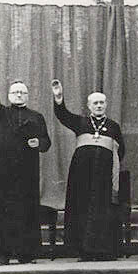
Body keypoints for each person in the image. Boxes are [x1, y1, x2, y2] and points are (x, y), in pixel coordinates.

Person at [0, 63, 51, 265]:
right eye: (15, 92)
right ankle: (3, 254)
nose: (19, 95)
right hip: (3, 173)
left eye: (22, 92)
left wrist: (39, 143)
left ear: (27, 96)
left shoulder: (37, 117)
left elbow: (46, 142)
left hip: (26, 175)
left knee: (26, 213)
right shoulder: (2, 113)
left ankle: (26, 254)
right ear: (9, 95)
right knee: (3, 213)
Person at [52, 80, 124, 262]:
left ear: (106, 105)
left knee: (104, 211)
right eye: (95, 103)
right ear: (89, 106)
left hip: (105, 178)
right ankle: (84, 251)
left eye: (102, 102)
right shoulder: (80, 122)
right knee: (82, 209)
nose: (99, 106)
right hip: (82, 176)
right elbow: (63, 115)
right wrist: (59, 98)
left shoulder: (113, 126)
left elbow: (120, 150)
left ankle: (104, 251)